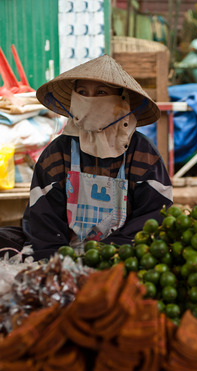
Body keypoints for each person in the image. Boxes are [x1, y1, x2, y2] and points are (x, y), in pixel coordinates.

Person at [0, 55, 173, 261]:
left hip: (122, 255)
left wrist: (110, 253)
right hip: (63, 253)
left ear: (121, 101)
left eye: (101, 92)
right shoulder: (58, 152)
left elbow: (154, 215)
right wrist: (59, 263)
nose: (90, 99)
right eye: (82, 92)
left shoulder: (142, 152)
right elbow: (43, 217)